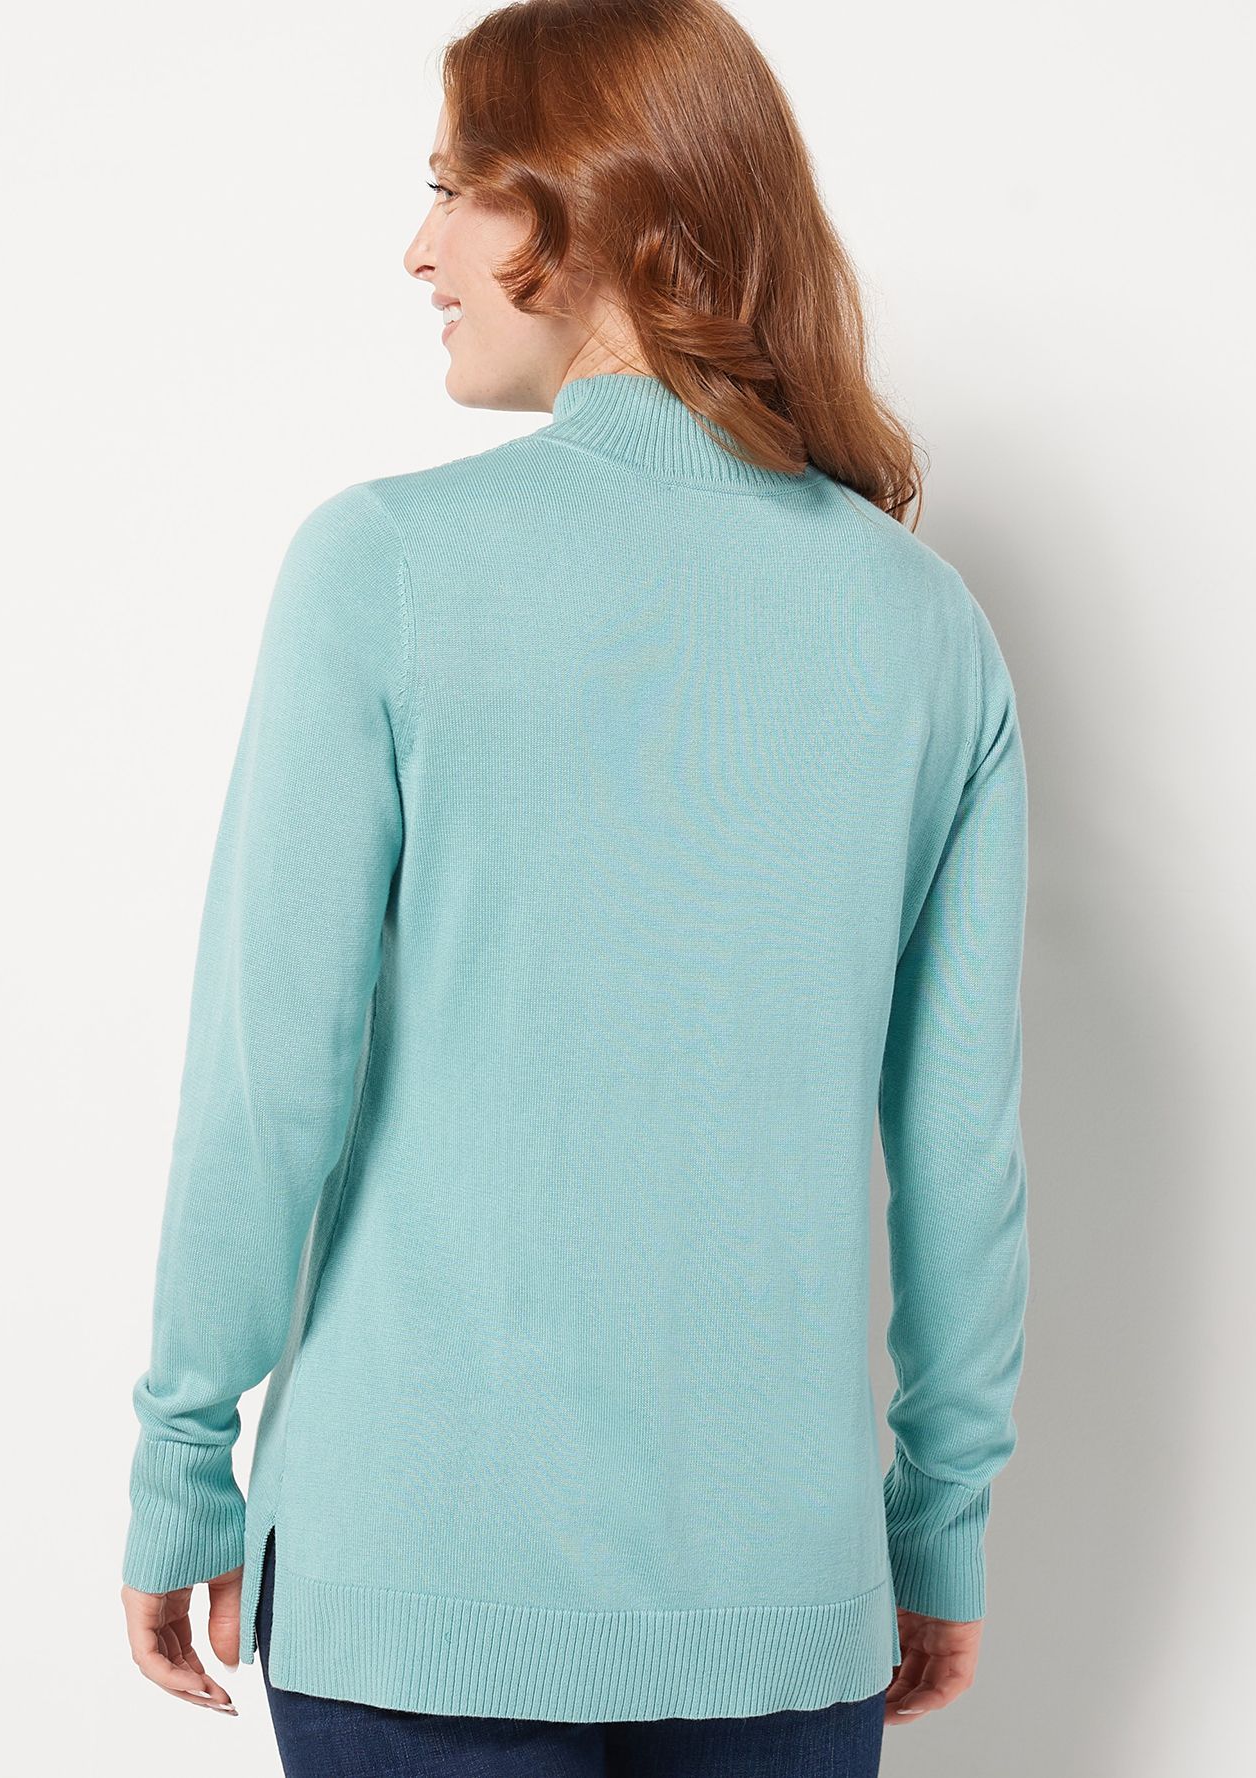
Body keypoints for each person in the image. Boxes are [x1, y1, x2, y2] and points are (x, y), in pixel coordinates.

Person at [116, 1, 1032, 1771]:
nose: (420, 251)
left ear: (591, 203)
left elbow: (266, 1079)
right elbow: (961, 1150)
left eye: (454, 188)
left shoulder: (383, 564)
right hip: (784, 1600)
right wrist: (938, 1526)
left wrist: (179, 1460)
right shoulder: (927, 626)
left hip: (414, 1576)